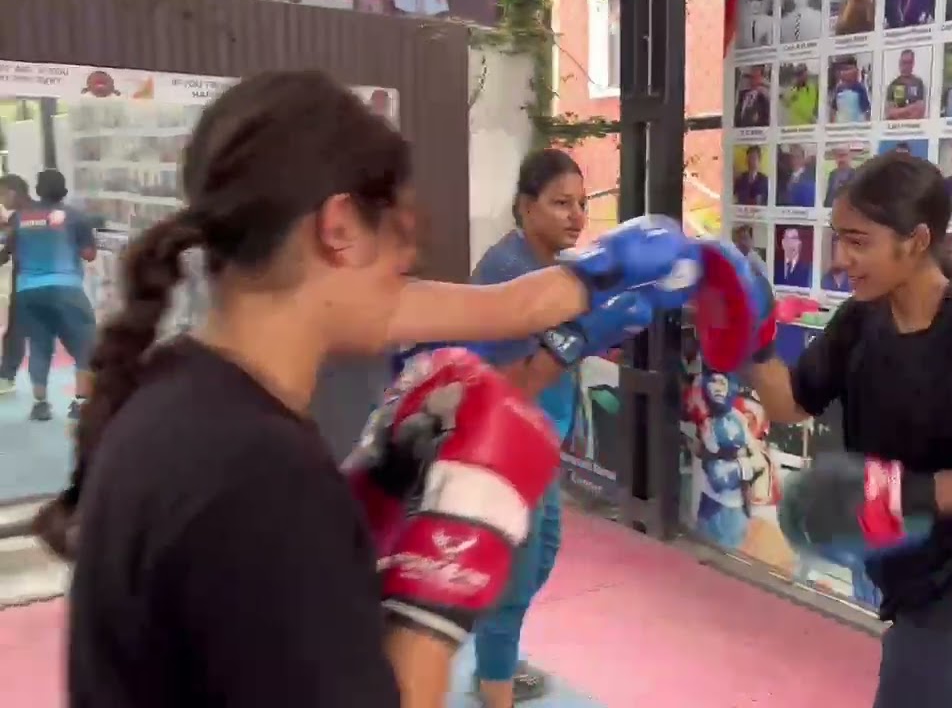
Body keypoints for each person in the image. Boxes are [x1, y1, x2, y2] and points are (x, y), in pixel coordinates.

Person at [36, 70, 696, 708]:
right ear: (340, 227)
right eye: (402, 235)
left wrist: (372, 490)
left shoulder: (174, 393)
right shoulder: (258, 473)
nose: (409, 263)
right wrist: (440, 582)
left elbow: (504, 307)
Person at [721, 153, 952, 706]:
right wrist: (747, 337)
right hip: (910, 584)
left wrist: (903, 494)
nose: (843, 259)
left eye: (859, 242)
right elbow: (790, 404)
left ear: (916, 240)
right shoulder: (863, 318)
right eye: (840, 240)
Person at [462, 149, 656, 707]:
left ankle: (494, 654)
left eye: (581, 204)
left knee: (539, 557)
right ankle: (492, 683)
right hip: (504, 444)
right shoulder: (506, 273)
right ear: (526, 207)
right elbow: (506, 381)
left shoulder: (565, 270)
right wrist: (585, 335)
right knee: (518, 576)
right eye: (559, 203)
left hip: (541, 441)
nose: (575, 215)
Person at [8, 169, 98, 421]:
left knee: (39, 345)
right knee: (85, 343)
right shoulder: (76, 217)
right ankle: (80, 401)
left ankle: (40, 403)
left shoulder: (19, 218)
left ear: (37, 191)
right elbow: (89, 254)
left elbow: (11, 249)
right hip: (66, 288)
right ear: (64, 192)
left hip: (28, 290)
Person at [0, 174, 30, 395]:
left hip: (27, 281)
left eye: (1, 195)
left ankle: (6, 376)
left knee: (16, 331)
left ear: (12, 192)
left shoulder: (19, 219)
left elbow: (7, 252)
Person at [885, 49, 928, 120]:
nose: (906, 66)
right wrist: (911, 108)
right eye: (904, 62)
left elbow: (920, 111)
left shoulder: (918, 83)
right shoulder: (894, 84)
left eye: (909, 62)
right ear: (900, 63)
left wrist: (900, 112)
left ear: (913, 63)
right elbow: (890, 112)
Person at [828, 57, 871, 124]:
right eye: (842, 70)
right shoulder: (839, 89)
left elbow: (866, 111)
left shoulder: (860, 89)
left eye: (847, 69)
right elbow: (833, 110)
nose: (842, 72)